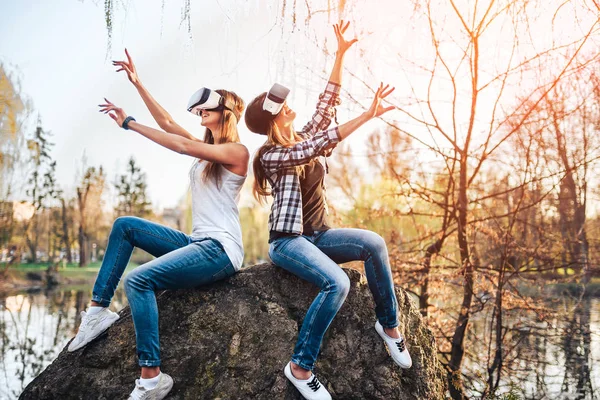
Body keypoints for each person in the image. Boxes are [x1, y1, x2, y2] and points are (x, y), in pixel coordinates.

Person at [67, 49, 248, 400]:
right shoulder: (205, 147)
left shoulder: (237, 152)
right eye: (199, 111)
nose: (200, 114)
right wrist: (138, 84)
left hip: (221, 250)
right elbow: (168, 125)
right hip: (197, 244)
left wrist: (128, 125)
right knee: (125, 225)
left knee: (139, 279)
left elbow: (179, 145)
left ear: (225, 112)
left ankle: (151, 378)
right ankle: (97, 312)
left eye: (207, 108)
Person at [245, 21, 412, 400]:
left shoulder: (301, 136)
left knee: (373, 243)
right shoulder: (272, 155)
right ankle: (301, 368)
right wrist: (367, 115)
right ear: (272, 119)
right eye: (280, 106)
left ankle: (389, 327)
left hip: (319, 236)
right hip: (289, 242)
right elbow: (323, 140)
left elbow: (327, 105)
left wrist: (339, 55)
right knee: (335, 282)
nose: (288, 105)